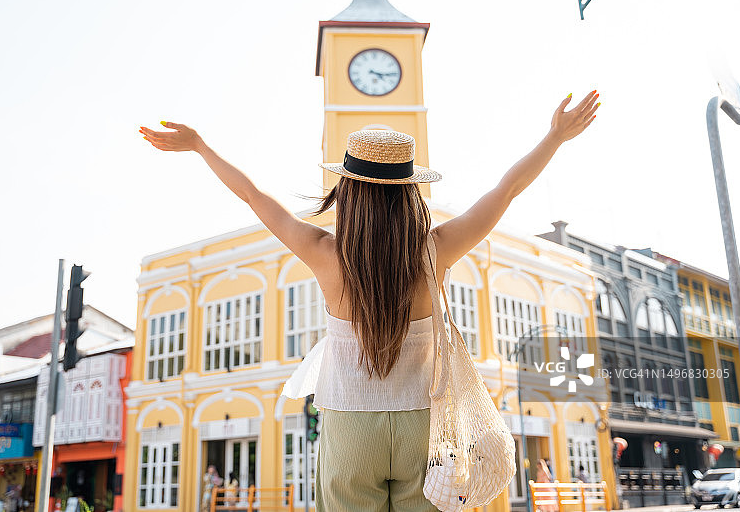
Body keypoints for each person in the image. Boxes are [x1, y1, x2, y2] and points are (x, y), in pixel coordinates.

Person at [140, 90, 599, 511]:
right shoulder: (435, 251)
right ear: (409, 191)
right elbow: (506, 190)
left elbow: (252, 195)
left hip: (349, 425)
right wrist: (554, 137)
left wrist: (200, 146)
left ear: (348, 191)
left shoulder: (323, 253)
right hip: (425, 425)